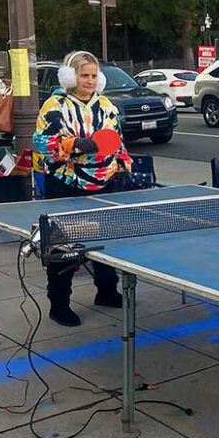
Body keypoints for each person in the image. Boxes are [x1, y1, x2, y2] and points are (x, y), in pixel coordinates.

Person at [33, 51, 133, 327]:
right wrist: (73, 146)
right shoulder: (55, 105)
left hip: (105, 183)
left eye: (92, 75)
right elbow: (43, 143)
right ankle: (59, 304)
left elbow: (117, 141)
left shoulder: (107, 106)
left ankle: (107, 291)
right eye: (83, 75)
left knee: (105, 239)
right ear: (70, 76)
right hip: (66, 185)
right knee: (64, 246)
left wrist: (123, 163)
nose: (89, 80)